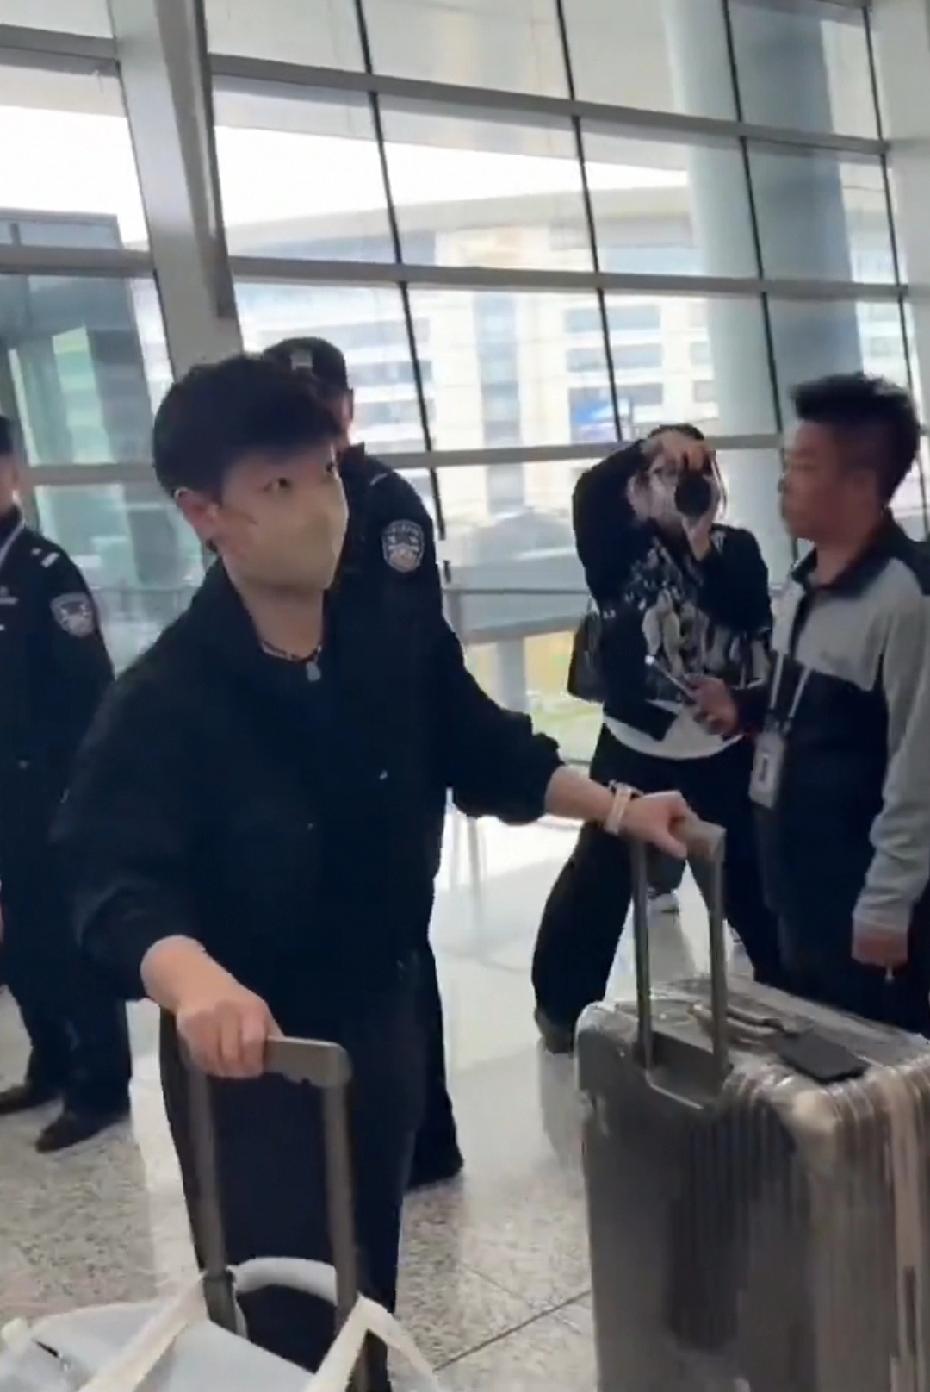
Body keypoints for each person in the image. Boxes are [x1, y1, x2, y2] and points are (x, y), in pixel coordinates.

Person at [55, 356, 690, 1384]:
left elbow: (486, 749)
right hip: (255, 1052)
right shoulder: (167, 697)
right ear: (203, 512)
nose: (321, 509)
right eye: (279, 486)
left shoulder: (391, 636)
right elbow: (114, 877)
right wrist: (195, 982)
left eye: (326, 475)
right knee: (284, 1311)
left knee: (370, 1278)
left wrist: (621, 807)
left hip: (384, 1017)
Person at [262, 336, 460, 1190]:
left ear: (346, 408)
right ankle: (358, 1123)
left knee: (398, 948)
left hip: (393, 763)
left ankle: (426, 1136)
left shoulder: (384, 502)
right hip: (311, 768)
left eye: (321, 401)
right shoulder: (268, 503)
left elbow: (402, 645)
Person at [533, 424, 782, 1052]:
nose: (682, 487)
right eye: (667, 475)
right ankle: (561, 1009)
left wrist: (701, 540)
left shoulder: (736, 548)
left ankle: (791, 996)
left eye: (695, 474)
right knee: (598, 882)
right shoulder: (617, 547)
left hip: (719, 748)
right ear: (640, 488)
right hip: (636, 745)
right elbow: (592, 492)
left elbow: (746, 610)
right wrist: (650, 448)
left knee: (750, 877)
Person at [695, 374, 930, 1032]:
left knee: (883, 1075)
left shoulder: (908, 602)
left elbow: (918, 769)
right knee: (817, 1059)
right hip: (797, 887)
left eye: (805, 466)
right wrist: (743, 708)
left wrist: (887, 904)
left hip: (865, 904)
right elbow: (805, 706)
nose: (785, 482)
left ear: (860, 485)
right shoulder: (803, 583)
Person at [0, 414, 131, 1152]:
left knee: (66, 940)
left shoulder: (46, 572)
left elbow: (90, 694)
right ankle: (49, 1060)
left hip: (43, 790)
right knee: (17, 944)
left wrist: (81, 799)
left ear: (14, 473)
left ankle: (100, 1083)